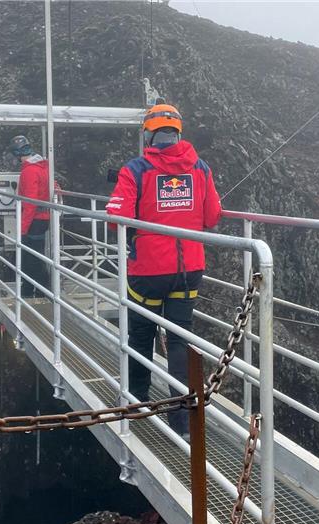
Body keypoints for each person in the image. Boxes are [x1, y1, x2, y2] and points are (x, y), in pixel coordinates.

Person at [106, 101, 222, 437]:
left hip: (148, 270)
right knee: (178, 340)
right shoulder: (200, 168)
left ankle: (137, 402)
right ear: (178, 132)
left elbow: (117, 218)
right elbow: (212, 216)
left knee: (141, 333)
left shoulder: (136, 170)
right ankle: (183, 423)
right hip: (189, 269)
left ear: (149, 133)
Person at [10, 135, 52, 298]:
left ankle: (40, 292)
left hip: (34, 221)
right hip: (42, 219)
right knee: (34, 256)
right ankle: (31, 290)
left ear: (16, 154)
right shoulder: (44, 167)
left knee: (32, 259)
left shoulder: (29, 171)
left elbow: (29, 203)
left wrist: (22, 229)